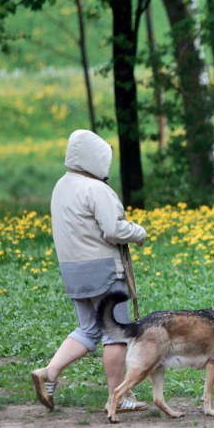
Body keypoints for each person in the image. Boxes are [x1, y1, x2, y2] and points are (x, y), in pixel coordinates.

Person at [32, 129, 147, 413]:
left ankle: (49, 372)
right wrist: (138, 231)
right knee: (116, 333)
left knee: (89, 328)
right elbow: (113, 229)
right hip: (104, 271)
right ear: (95, 158)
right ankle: (118, 397)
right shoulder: (96, 189)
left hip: (73, 271)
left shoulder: (61, 186)